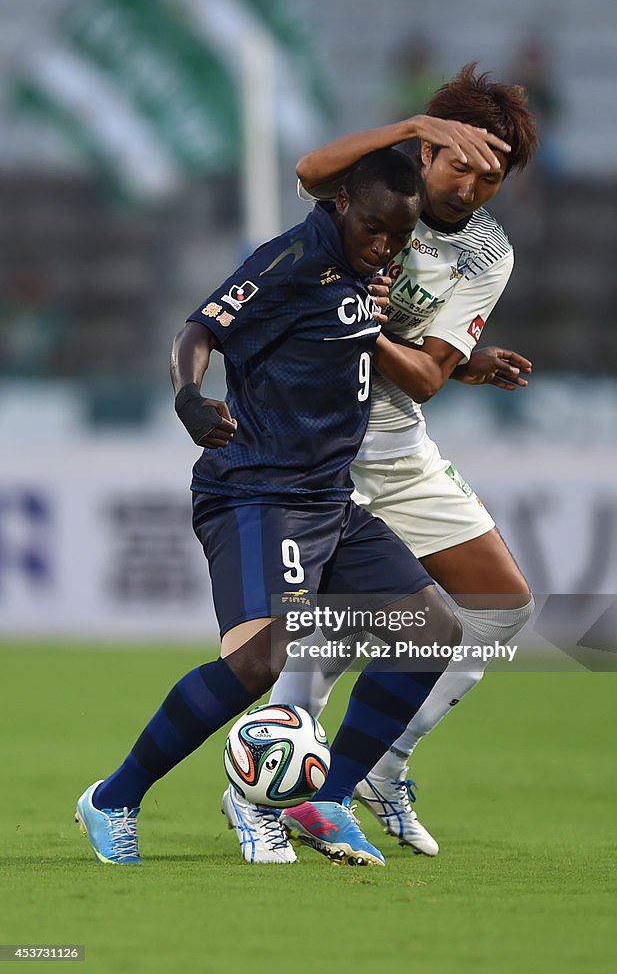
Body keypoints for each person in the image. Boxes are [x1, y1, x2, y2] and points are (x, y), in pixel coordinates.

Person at [74, 148, 473, 869]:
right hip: (258, 490)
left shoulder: (366, 264)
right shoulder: (289, 260)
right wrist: (190, 399)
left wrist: (472, 361)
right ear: (341, 203)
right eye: (374, 229)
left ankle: (327, 797)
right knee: (259, 661)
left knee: (431, 630)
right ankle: (114, 798)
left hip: (328, 496)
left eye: (398, 236)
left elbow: (350, 338)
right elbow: (197, 331)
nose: (384, 246)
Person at [225, 63, 539, 862]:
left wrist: (371, 328)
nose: (469, 186)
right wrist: (408, 126)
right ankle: (268, 797)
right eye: (457, 161)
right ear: (428, 151)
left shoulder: (483, 253)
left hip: (395, 444)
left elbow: (426, 376)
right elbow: (305, 171)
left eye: (490, 176)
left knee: (500, 604)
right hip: (310, 440)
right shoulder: (368, 184)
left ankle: (380, 767)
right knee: (333, 631)